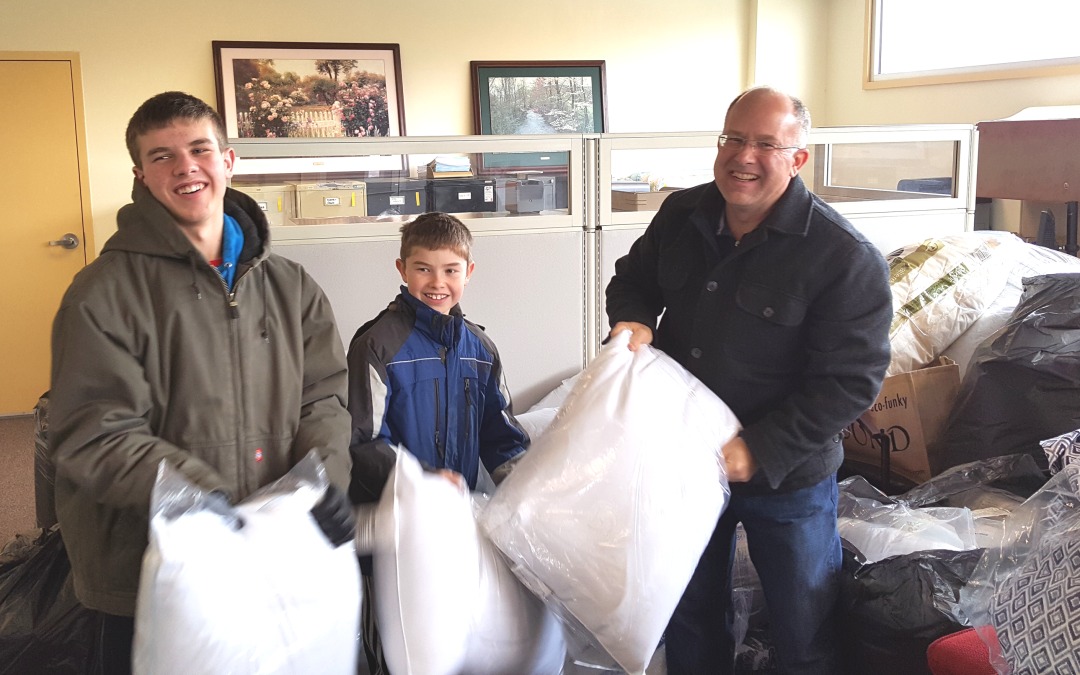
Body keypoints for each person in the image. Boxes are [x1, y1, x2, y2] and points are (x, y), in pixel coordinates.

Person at [49, 91, 355, 674]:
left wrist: (323, 476)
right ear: (141, 175)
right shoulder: (103, 293)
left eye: (199, 149)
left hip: (275, 554)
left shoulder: (292, 287)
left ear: (229, 159)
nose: (185, 167)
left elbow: (325, 395)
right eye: (162, 156)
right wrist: (195, 496)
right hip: (152, 565)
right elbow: (93, 430)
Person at [605, 86, 892, 674]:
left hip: (788, 476)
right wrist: (632, 319)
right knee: (689, 613)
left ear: (798, 159)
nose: (744, 156)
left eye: (766, 143)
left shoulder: (844, 257)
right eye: (733, 139)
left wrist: (755, 449)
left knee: (804, 625)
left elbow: (850, 382)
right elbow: (632, 280)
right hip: (684, 462)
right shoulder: (681, 214)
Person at [346, 212, 529, 674]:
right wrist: (423, 484)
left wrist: (527, 488)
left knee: (453, 635)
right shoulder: (377, 345)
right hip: (396, 526)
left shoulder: (480, 349)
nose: (437, 282)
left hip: (457, 524)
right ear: (401, 269)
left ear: (469, 272)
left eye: (450, 270)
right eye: (423, 268)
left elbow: (501, 434)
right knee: (401, 647)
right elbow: (364, 440)